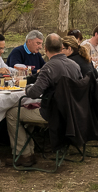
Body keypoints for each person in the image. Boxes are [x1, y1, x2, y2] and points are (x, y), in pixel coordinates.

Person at [5, 34, 81, 167]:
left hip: (53, 113)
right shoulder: (74, 65)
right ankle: (29, 149)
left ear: (45, 49)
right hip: (73, 110)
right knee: (27, 108)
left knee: (12, 113)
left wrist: (26, 86)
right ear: (62, 47)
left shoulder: (49, 67)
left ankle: (24, 154)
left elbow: (34, 93)